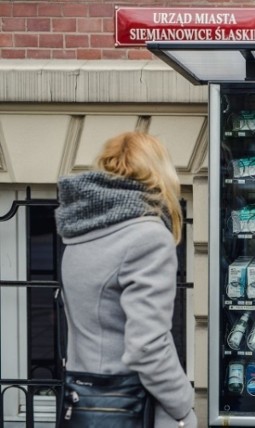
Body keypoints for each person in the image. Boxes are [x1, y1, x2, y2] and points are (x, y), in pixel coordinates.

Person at [55, 131, 197, 427]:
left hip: (86, 402)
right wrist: (184, 406)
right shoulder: (147, 237)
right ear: (159, 172)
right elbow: (147, 346)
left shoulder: (80, 231)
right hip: (131, 405)